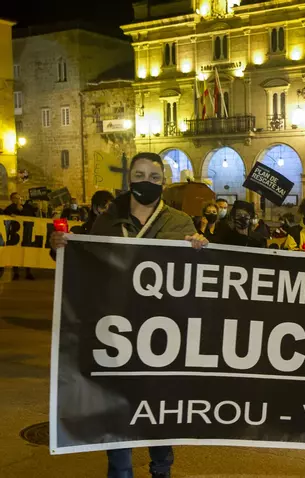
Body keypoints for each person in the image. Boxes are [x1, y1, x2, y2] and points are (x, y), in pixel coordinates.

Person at [50, 151, 207, 478]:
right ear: (129, 180)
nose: (147, 182)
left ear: (163, 182)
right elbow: (89, 259)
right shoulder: (108, 220)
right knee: (117, 411)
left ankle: (161, 468)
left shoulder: (179, 222)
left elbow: (197, 276)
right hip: (115, 332)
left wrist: (200, 248)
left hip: (161, 335)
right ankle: (120, 472)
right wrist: (62, 247)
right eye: (140, 176)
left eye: (154, 177)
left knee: (158, 412)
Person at [2, 192, 37, 280]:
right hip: (15, 235)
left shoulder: (27, 208)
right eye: (16, 198)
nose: (18, 200)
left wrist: (22, 210)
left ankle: (28, 272)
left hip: (26, 234)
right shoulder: (9, 208)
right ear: (12, 199)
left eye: (19, 198)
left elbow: (32, 216)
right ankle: (16, 273)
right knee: (15, 253)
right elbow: (5, 215)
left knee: (26, 252)